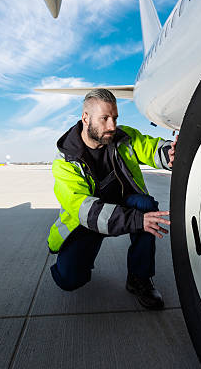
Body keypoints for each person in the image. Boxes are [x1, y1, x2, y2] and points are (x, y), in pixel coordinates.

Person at [48, 88, 176, 309]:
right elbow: (85, 211)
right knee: (69, 280)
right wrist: (135, 221)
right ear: (85, 118)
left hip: (123, 204)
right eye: (105, 118)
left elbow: (150, 147)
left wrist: (169, 154)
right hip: (86, 223)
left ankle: (139, 279)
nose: (112, 126)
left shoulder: (123, 137)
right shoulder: (65, 161)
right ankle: (73, 261)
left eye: (115, 118)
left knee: (146, 207)